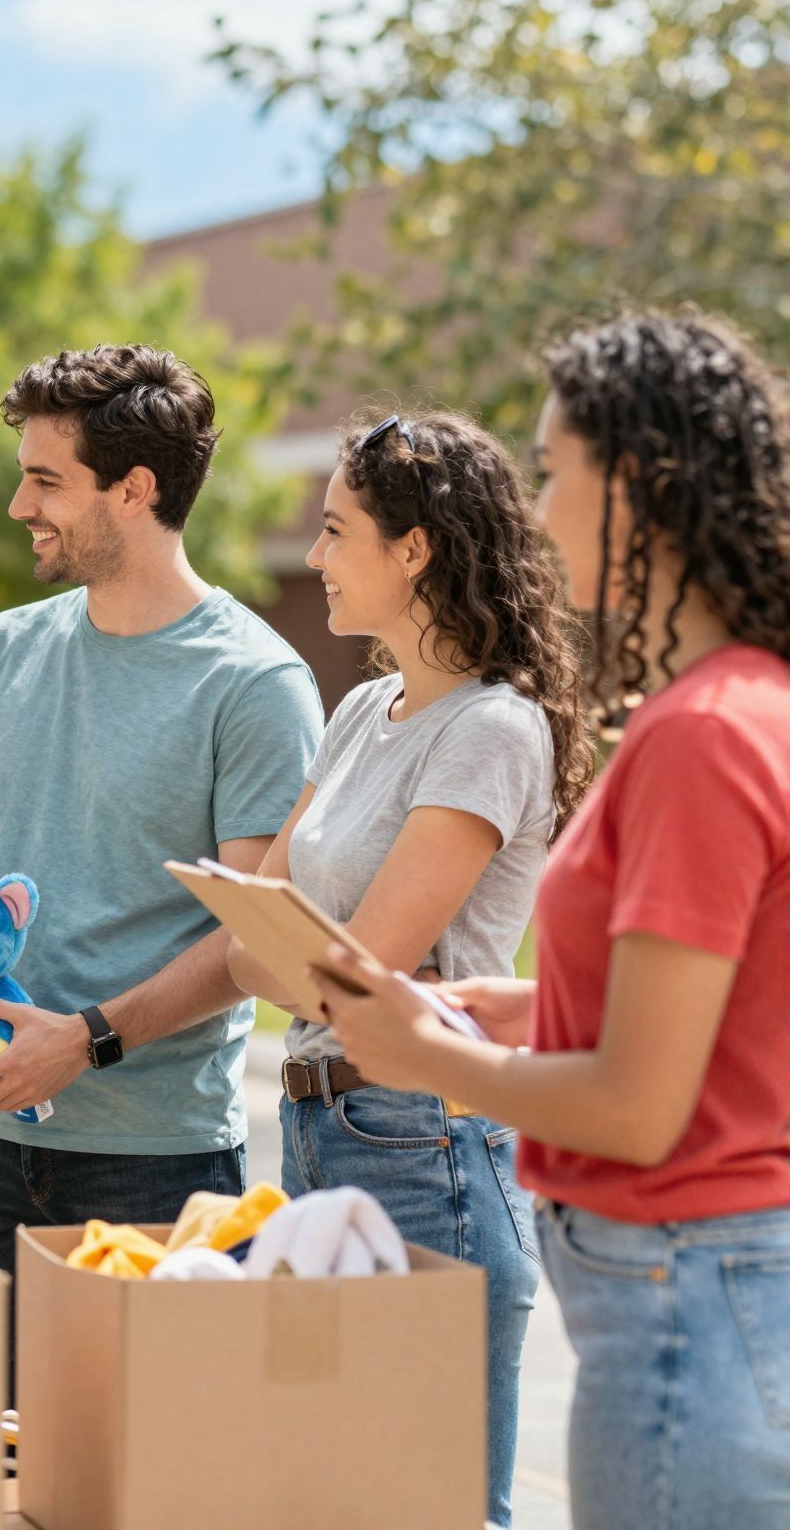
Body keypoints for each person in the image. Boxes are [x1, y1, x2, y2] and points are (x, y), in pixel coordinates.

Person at [314, 310, 790, 1530]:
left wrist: (428, 1057)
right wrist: (536, 1006)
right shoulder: (747, 703)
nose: (531, 504)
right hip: (711, 1286)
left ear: (633, 482)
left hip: (680, 1297)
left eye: (549, 467)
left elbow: (638, 1104)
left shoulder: (698, 735)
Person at [0, 344, 324, 1283]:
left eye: (45, 481)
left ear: (134, 489)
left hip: (160, 1163)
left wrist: (87, 1040)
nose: (18, 507)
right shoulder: (6, 648)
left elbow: (255, 938)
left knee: (145, 1436)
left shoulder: (254, 683)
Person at [225, 409, 594, 1527]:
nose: (318, 555)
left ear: (414, 548)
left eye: (336, 531)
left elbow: (355, 967)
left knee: (438, 1502)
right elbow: (260, 950)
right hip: (313, 1126)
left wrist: (296, 956)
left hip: (420, 1141)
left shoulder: (491, 729)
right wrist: (296, 957)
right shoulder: (354, 711)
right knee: (338, 1492)